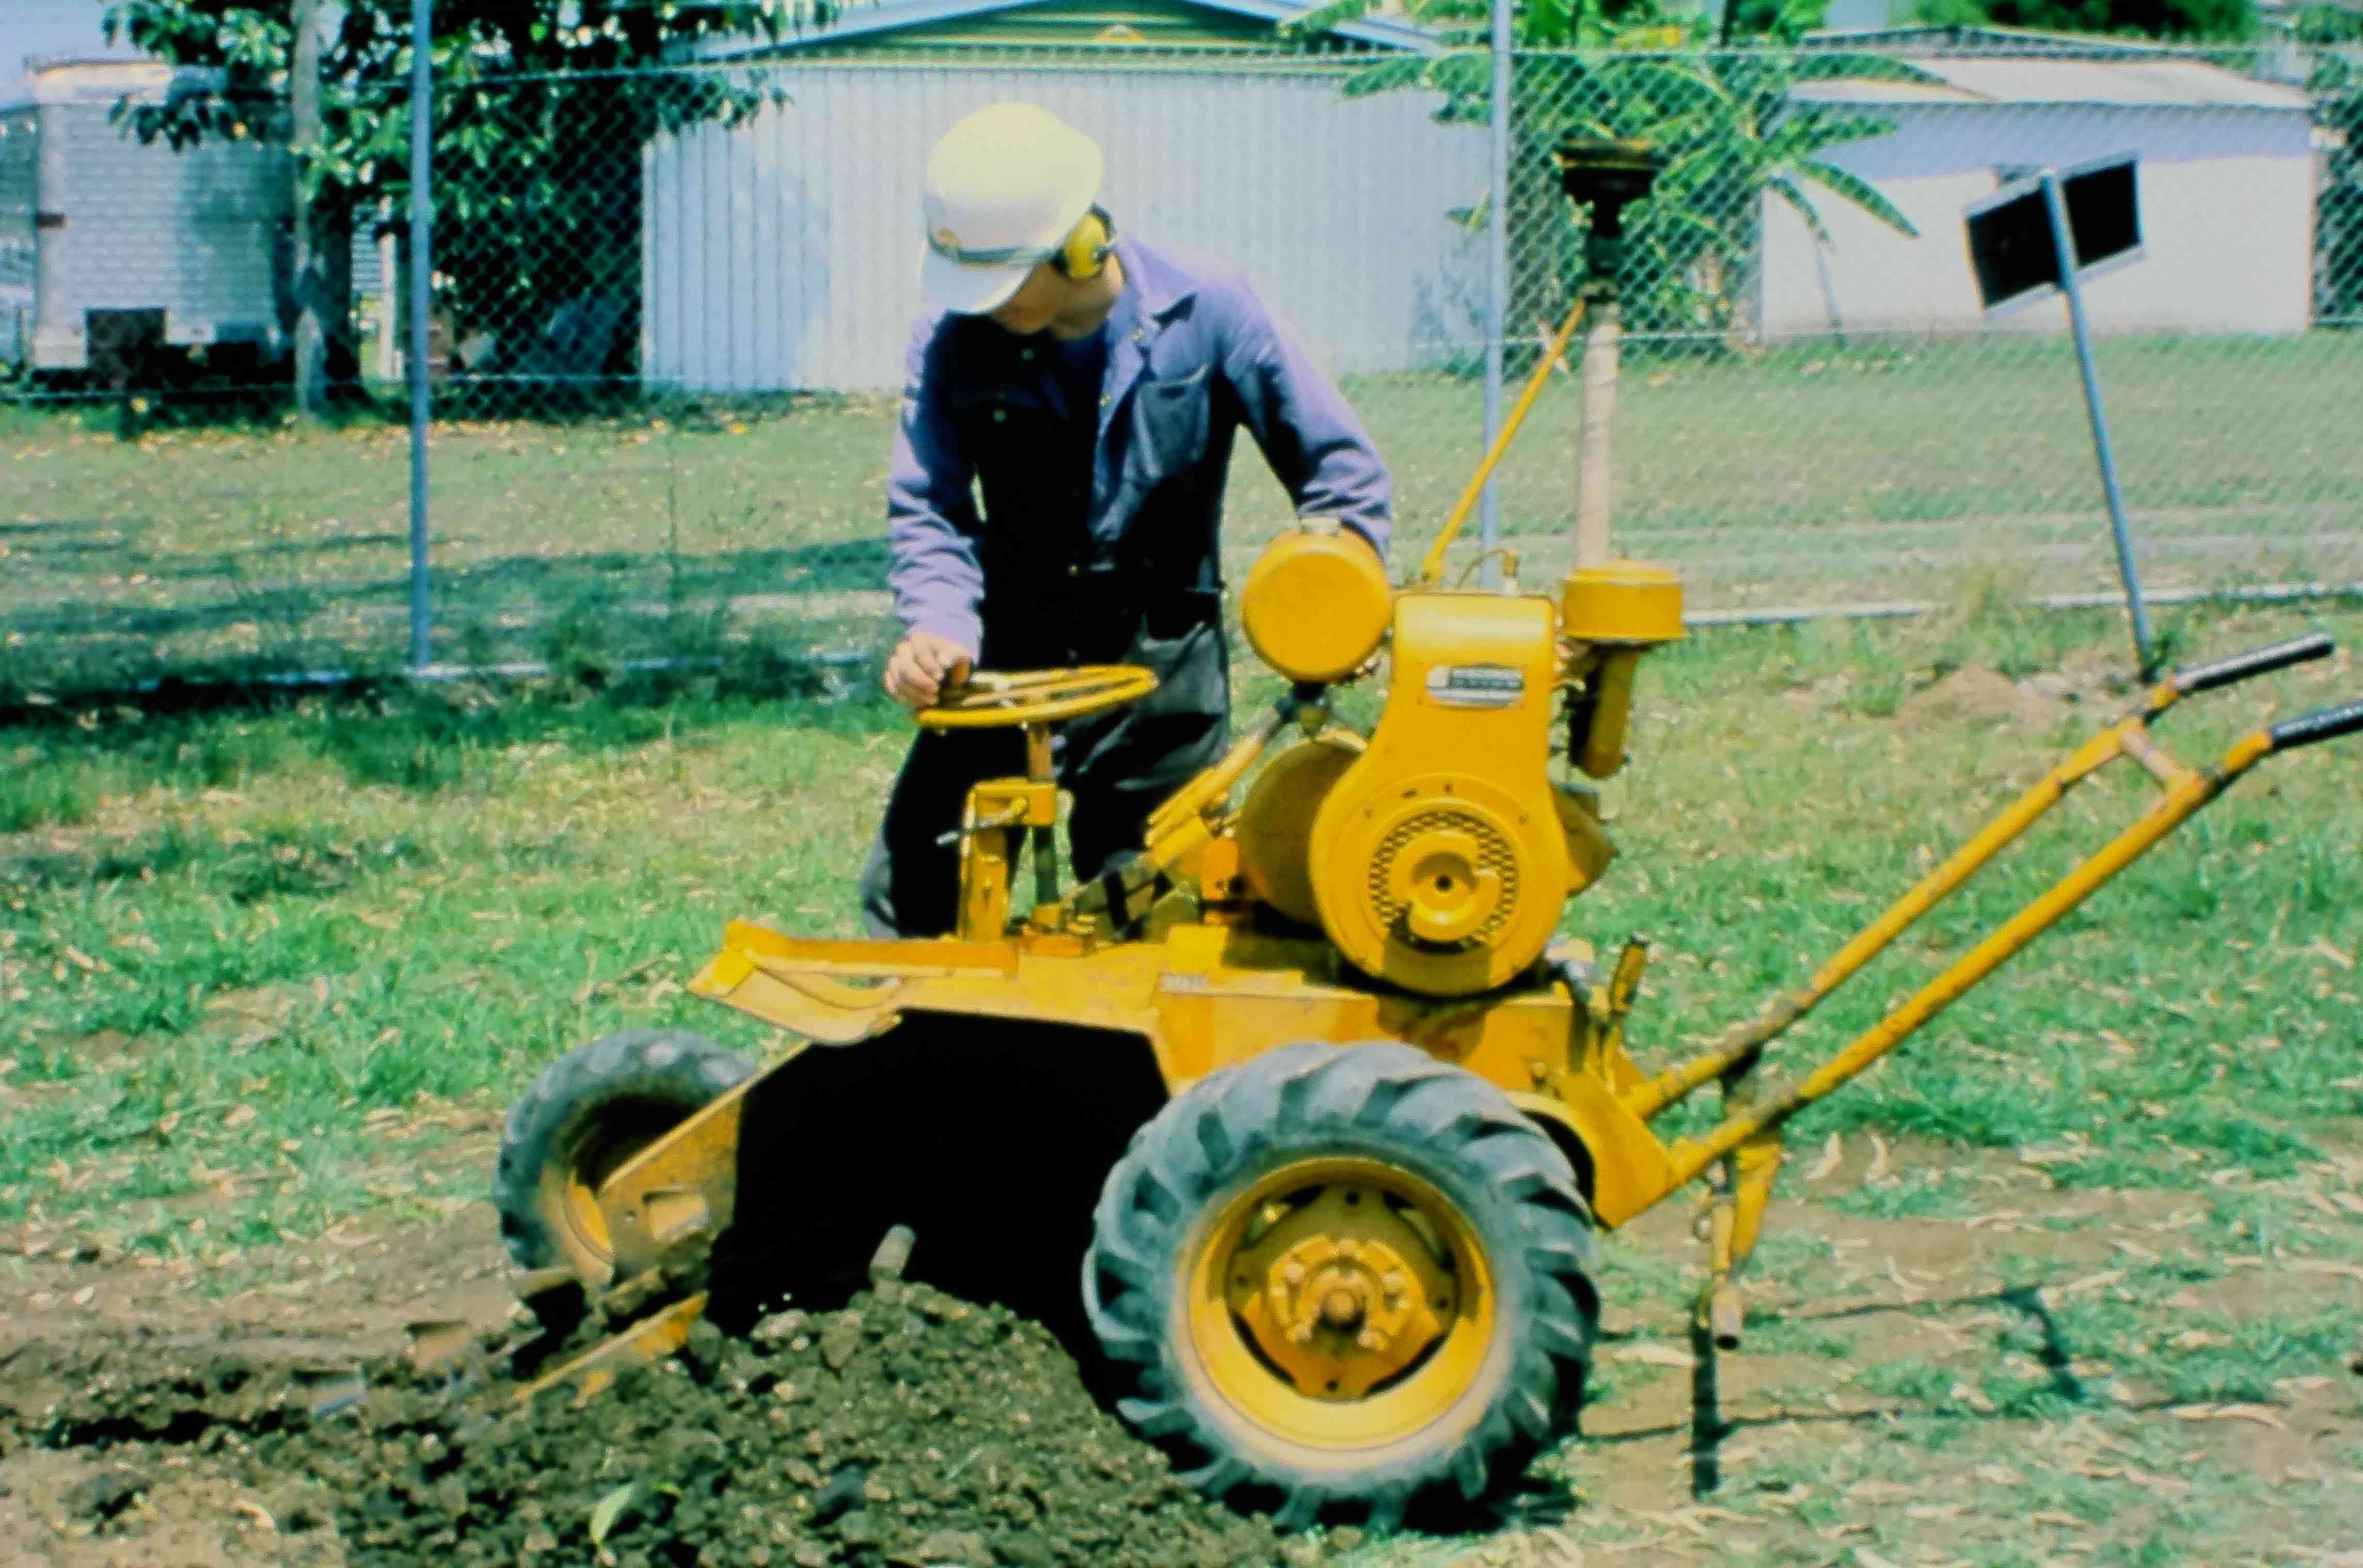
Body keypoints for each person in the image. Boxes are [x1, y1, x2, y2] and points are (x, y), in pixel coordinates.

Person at [860, 102, 1393, 939]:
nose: (986, 307)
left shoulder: (1207, 308)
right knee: (914, 896)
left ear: (1080, 242)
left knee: (1153, 918)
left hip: (1161, 666)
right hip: (1003, 659)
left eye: (1004, 281)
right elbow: (930, 503)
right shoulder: (954, 338)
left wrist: (1340, 595)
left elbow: (1339, 471)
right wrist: (938, 626)